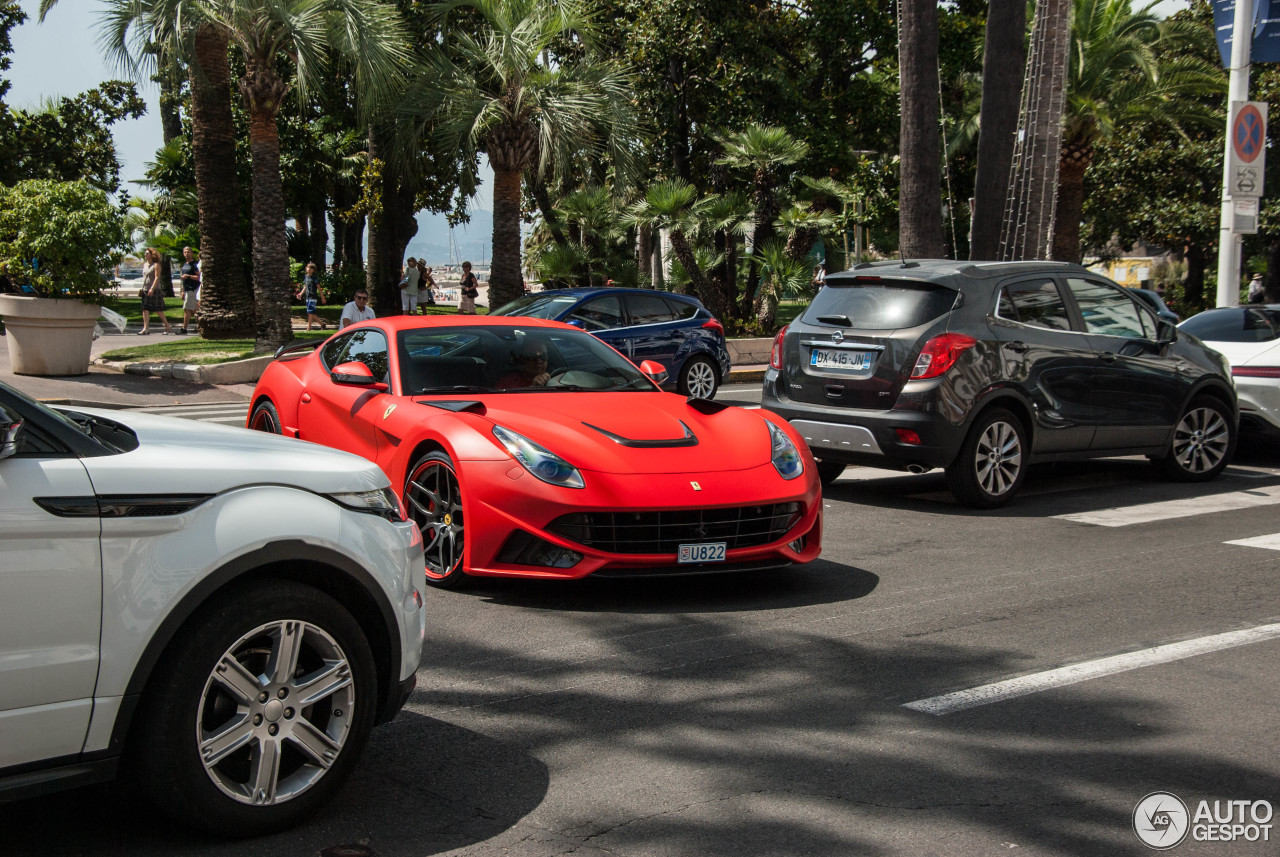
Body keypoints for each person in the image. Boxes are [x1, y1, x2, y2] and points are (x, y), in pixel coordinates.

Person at [139, 248, 174, 335]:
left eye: (147, 253)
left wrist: (152, 288)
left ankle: (167, 325)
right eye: (145, 253)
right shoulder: (145, 265)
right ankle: (145, 328)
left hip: (154, 290)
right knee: (145, 309)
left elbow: (157, 277)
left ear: (152, 255)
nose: (145, 255)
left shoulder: (156, 265)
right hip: (145, 289)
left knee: (157, 309)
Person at [178, 246, 200, 334]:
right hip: (187, 290)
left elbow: (199, 277)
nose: (186, 254)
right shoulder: (184, 265)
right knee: (194, 310)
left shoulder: (194, 265)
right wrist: (182, 291)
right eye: (185, 252)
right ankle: (200, 325)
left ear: (192, 253)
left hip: (193, 289)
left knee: (187, 309)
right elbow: (183, 280)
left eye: (188, 252)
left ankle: (184, 329)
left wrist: (189, 276)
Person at [300, 262, 325, 330]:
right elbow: (305, 286)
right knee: (310, 313)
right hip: (307, 296)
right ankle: (322, 324)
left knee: (310, 313)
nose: (308, 269)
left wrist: (322, 297)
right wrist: (300, 294)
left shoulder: (314, 278)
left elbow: (319, 288)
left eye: (310, 268)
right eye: (308, 267)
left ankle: (309, 328)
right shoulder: (306, 277)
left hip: (313, 297)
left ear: (313, 270)